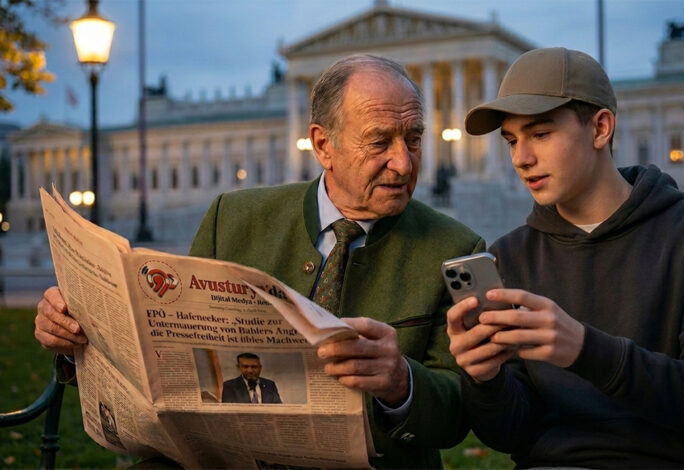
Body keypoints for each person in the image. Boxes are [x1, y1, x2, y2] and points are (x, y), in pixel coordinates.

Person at [34, 54, 485, 469]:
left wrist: (400, 384)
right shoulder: (231, 219)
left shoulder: (457, 248)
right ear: (323, 145)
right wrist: (77, 333)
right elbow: (164, 359)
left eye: (413, 138)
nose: (404, 164)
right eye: (379, 142)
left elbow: (463, 411)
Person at [446, 47, 684, 468]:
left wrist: (585, 350)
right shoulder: (510, 256)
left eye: (540, 134)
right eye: (512, 140)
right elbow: (510, 434)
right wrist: (485, 379)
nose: (521, 158)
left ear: (600, 129)